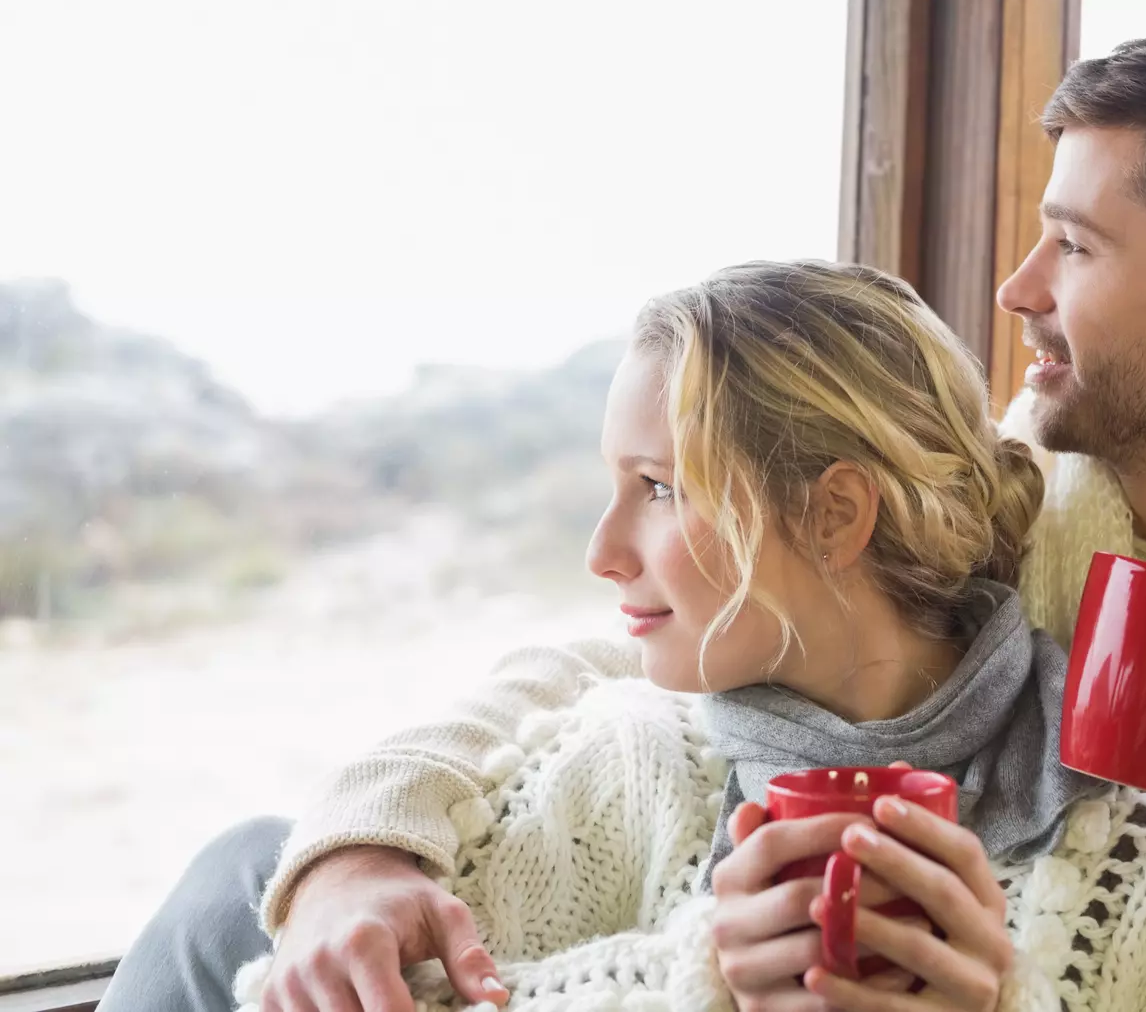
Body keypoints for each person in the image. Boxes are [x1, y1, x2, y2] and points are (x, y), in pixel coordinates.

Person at [101, 15, 1146, 1012]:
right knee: (243, 867)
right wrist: (364, 842)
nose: (1014, 289)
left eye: (1071, 244)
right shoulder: (1007, 507)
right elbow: (625, 663)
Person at [242, 258, 1102, 1012]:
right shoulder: (616, 767)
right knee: (237, 866)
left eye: (658, 488)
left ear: (833, 513)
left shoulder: (1113, 800)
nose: (601, 554)